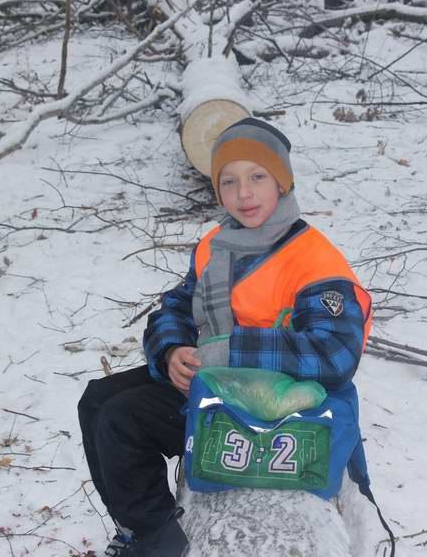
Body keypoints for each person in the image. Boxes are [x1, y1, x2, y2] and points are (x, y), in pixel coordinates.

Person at [77, 118, 372, 557]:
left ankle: (160, 544)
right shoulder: (219, 243)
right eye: (229, 181)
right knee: (97, 399)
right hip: (224, 384)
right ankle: (136, 529)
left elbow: (334, 355)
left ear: (283, 183)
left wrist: (224, 353)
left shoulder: (312, 260)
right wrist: (173, 350)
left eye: (258, 177)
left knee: (124, 418)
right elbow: (177, 305)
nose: (244, 194)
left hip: (283, 408)